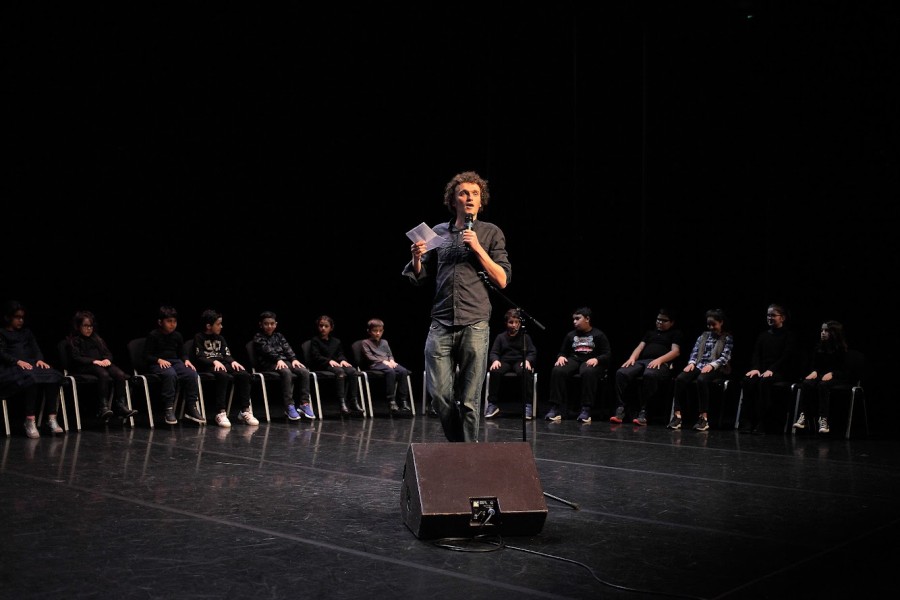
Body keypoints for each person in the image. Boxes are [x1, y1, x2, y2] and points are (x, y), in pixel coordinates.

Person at [404, 170, 511, 443]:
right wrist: (417, 258)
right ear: (453, 201)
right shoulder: (438, 232)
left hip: (475, 322)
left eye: (475, 193)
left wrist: (478, 248)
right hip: (441, 322)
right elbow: (419, 277)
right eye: (464, 193)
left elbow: (502, 279)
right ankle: (459, 449)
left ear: (481, 200)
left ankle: (467, 456)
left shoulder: (490, 233)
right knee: (439, 396)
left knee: (470, 401)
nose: (470, 198)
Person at [0, 300, 64, 438]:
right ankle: (30, 420)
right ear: (8, 317)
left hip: (29, 365)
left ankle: (52, 418)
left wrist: (40, 359)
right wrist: (17, 361)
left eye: (22, 318)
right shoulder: (2, 333)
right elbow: (1, 352)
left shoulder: (26, 332)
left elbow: (35, 348)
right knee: (31, 378)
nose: (20, 320)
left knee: (52, 375)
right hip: (10, 367)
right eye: (17, 317)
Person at [611, 307, 683, 426]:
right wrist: (632, 358)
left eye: (664, 320)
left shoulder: (675, 334)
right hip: (643, 361)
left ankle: (644, 412)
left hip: (661, 363)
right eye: (658, 319)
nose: (660, 322)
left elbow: (675, 351)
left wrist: (659, 360)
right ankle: (621, 409)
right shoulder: (650, 333)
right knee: (622, 373)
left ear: (672, 322)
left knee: (649, 374)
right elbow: (639, 348)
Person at [66, 310, 138, 423]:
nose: (89, 329)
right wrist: (94, 361)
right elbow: (76, 358)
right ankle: (103, 407)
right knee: (103, 374)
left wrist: (107, 359)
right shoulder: (74, 340)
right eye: (85, 326)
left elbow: (107, 353)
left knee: (120, 374)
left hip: (100, 364)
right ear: (78, 326)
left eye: (90, 326)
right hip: (84, 366)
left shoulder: (96, 339)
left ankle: (121, 406)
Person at [191, 309, 259, 428]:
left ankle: (245, 410)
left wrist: (233, 362)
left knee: (243, 374)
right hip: (207, 366)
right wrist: (213, 361)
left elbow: (226, 355)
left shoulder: (221, 338)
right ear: (208, 326)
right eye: (218, 324)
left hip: (222, 364)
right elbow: (199, 356)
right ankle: (220, 412)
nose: (221, 326)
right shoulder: (199, 337)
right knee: (223, 375)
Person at [668, 308, 734, 432]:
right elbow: (695, 352)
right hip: (699, 365)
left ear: (721, 322)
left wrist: (712, 365)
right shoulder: (703, 336)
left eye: (713, 324)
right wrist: (691, 363)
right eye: (708, 324)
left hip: (717, 367)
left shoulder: (727, 338)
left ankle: (703, 418)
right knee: (680, 379)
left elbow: (725, 357)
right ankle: (677, 416)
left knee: (701, 380)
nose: (711, 327)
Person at [543, 306, 612, 424]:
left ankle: (586, 409)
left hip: (590, 360)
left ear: (587, 319)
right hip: (574, 359)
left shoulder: (598, 334)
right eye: (573, 319)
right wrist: (561, 356)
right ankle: (556, 408)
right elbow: (562, 352)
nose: (574, 322)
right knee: (558, 370)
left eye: (577, 319)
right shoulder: (570, 335)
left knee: (588, 371)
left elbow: (607, 354)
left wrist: (597, 359)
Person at [739, 303, 800, 435]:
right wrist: (755, 368)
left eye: (773, 315)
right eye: (768, 315)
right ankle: (747, 421)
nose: (770, 318)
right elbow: (756, 354)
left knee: (764, 383)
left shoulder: (788, 335)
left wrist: (772, 369)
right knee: (748, 380)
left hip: (780, 371)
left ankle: (764, 422)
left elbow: (786, 356)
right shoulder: (763, 335)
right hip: (763, 370)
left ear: (782, 318)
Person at [143, 305, 204, 426]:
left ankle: (191, 407)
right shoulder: (153, 335)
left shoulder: (177, 335)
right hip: (157, 364)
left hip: (174, 362)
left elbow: (182, 353)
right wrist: (158, 360)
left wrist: (186, 360)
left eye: (174, 321)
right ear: (160, 322)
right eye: (169, 321)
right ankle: (169, 408)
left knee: (191, 373)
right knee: (170, 374)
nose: (172, 324)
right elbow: (146, 355)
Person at [252, 310, 315, 421]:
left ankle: (304, 403)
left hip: (283, 362)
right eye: (266, 324)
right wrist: (278, 359)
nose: (269, 326)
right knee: (286, 372)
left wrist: (294, 359)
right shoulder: (258, 337)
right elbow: (267, 351)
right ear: (261, 325)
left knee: (303, 371)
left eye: (272, 324)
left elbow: (287, 348)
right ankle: (289, 405)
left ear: (276, 324)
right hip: (268, 364)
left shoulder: (279, 336)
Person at [793, 320, 849, 435]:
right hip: (822, 375)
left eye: (826, 331)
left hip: (837, 377)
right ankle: (804, 416)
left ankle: (823, 419)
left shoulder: (841, 349)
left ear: (834, 333)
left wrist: (833, 373)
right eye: (822, 330)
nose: (823, 333)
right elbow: (816, 366)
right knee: (807, 383)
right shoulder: (819, 347)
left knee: (823, 385)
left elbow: (845, 370)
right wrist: (814, 371)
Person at [485, 308, 537, 420]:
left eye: (516, 322)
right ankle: (492, 405)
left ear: (519, 323)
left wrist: (528, 360)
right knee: (494, 371)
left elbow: (532, 352)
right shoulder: (501, 337)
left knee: (525, 371)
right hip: (505, 361)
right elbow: (494, 352)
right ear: (506, 323)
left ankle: (527, 405)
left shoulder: (525, 337)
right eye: (511, 322)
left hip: (520, 361)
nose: (514, 325)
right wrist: (495, 360)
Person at [307, 315, 364, 417]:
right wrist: (329, 361)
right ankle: (342, 403)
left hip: (336, 364)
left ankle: (353, 401)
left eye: (326, 326)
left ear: (331, 328)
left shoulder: (336, 341)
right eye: (321, 326)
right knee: (340, 372)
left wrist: (342, 360)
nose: (323, 328)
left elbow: (340, 354)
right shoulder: (315, 340)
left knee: (352, 371)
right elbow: (315, 356)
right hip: (322, 365)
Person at [360, 318, 413, 417]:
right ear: (369, 331)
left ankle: (403, 401)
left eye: (380, 331)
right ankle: (391, 401)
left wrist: (391, 360)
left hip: (388, 363)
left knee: (403, 371)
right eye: (375, 331)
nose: (378, 333)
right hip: (375, 364)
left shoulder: (384, 342)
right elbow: (369, 357)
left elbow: (389, 354)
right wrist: (383, 361)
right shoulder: (365, 342)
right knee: (390, 371)